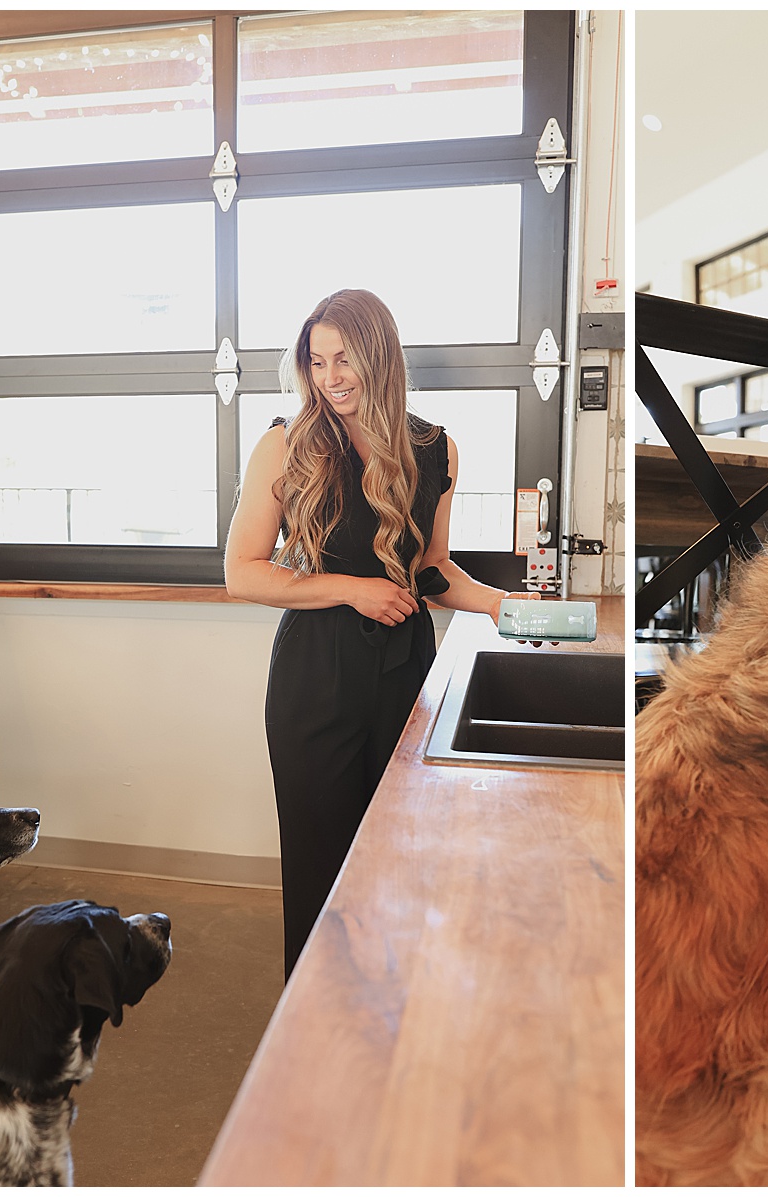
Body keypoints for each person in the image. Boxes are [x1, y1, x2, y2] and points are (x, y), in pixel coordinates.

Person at [226, 288, 520, 978]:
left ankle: (387, 1021)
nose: (331, 378)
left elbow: (434, 571)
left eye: (345, 358)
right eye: (318, 361)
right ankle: (317, 1027)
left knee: (400, 859)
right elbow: (241, 572)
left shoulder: (436, 449)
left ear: (380, 357)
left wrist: (506, 605)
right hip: (315, 683)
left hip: (404, 675)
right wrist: (352, 589)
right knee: (322, 872)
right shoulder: (287, 445)